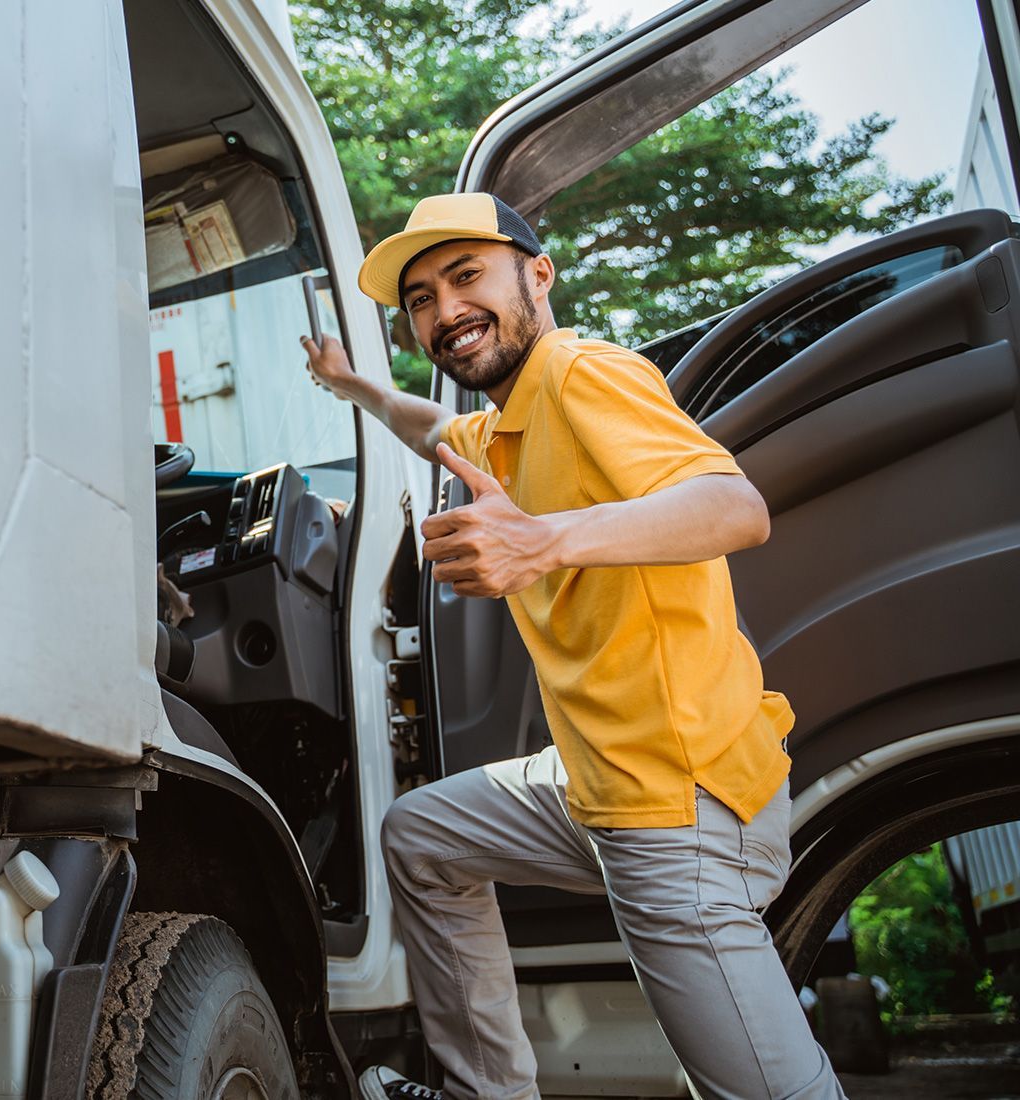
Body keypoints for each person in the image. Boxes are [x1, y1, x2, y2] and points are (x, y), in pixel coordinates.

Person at [302, 193, 845, 1100]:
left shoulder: (579, 372)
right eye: (423, 299)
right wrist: (350, 384)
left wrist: (546, 540)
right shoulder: (497, 433)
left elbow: (734, 509)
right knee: (421, 838)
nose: (445, 311)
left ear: (538, 274)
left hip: (678, 807)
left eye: (467, 275)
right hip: (594, 783)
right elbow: (426, 425)